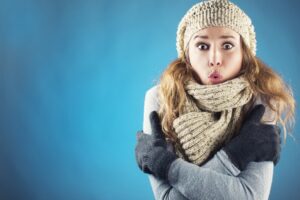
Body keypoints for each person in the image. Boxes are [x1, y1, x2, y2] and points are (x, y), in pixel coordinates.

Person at [135, 0, 295, 199]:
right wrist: (235, 157)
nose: (215, 59)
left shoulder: (261, 101)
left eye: (227, 45)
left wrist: (166, 166)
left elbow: (250, 196)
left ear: (244, 54)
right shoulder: (160, 98)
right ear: (186, 56)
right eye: (202, 46)